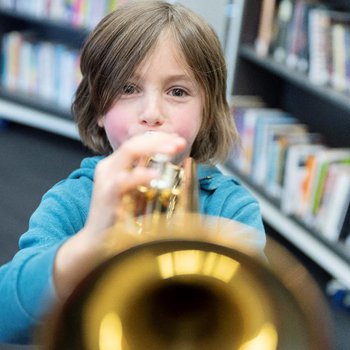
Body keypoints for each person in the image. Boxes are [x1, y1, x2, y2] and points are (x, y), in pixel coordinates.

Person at [0, 0, 265, 344]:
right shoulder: (74, 200)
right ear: (97, 109)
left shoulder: (233, 209)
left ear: (208, 113)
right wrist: (88, 244)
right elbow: (7, 315)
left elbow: (251, 314)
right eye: (128, 88)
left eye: (178, 91)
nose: (152, 113)